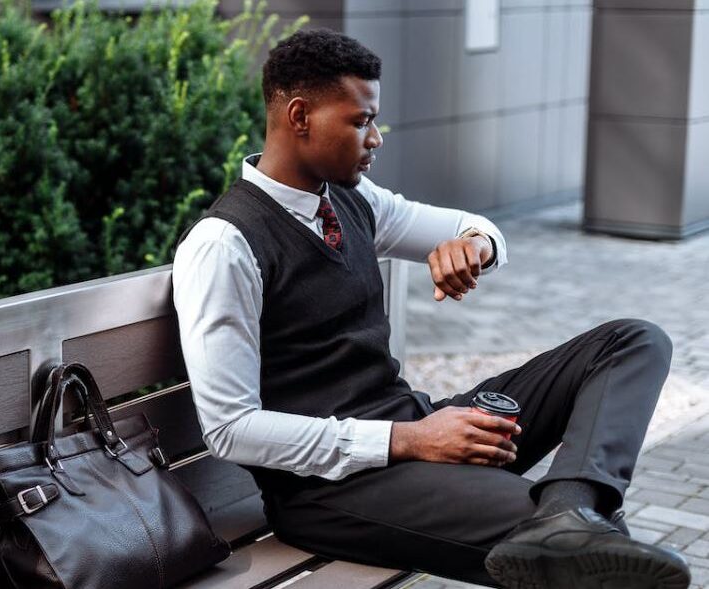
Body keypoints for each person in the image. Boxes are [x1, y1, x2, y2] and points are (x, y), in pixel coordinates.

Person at [171, 29, 691, 589]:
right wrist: (411, 441)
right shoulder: (223, 244)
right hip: (332, 491)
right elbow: (230, 429)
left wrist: (475, 247)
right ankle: (565, 525)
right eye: (359, 121)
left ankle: (568, 509)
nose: (375, 139)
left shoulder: (351, 198)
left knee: (632, 341)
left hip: (416, 432)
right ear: (300, 116)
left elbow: (476, 227)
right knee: (582, 553)